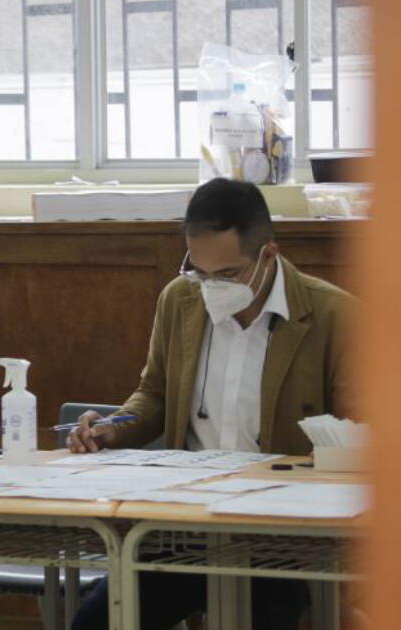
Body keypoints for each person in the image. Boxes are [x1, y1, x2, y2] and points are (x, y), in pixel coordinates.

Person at [68, 178, 356, 630]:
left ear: (268, 255)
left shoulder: (334, 316)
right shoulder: (179, 300)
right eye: (198, 271)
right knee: (96, 621)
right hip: (186, 526)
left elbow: (361, 432)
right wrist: (113, 426)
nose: (211, 287)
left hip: (283, 534)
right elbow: (155, 394)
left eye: (227, 276)